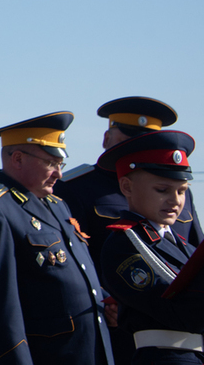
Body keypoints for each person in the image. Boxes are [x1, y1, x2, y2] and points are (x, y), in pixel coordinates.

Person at [0, 112, 113, 365]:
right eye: (51, 163)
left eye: (60, 164)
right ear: (18, 159)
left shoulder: (57, 205)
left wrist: (104, 301)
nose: (58, 174)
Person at [97, 130, 203, 364]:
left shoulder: (183, 246)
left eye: (182, 191)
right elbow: (178, 311)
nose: (175, 201)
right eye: (162, 190)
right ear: (126, 187)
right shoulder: (127, 242)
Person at [57, 97, 201, 262]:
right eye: (126, 144)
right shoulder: (76, 187)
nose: (136, 152)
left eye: (148, 146)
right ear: (106, 139)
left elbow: (195, 250)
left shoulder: (181, 193)